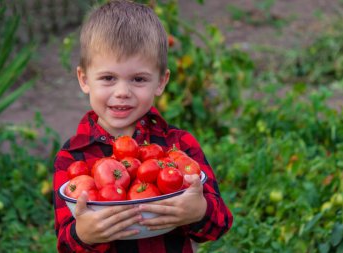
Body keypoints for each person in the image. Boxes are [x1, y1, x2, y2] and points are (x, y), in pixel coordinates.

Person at [53, 1, 233, 252]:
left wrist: (198, 210)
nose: (122, 92)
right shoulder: (73, 157)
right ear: (84, 79)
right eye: (108, 78)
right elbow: (65, 242)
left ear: (161, 82)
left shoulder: (179, 146)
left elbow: (220, 223)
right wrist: (83, 233)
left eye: (138, 79)